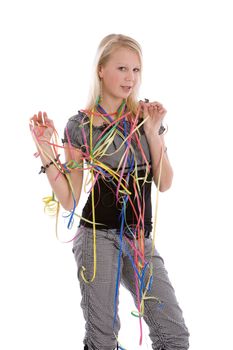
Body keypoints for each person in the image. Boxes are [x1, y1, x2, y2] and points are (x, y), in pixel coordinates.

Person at [30, 34, 190, 350]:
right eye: (122, 68)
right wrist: (45, 148)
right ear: (101, 70)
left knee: (174, 337)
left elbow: (165, 182)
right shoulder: (80, 126)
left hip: (140, 239)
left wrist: (153, 133)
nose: (130, 78)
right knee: (102, 340)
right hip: (96, 237)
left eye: (136, 70)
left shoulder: (146, 116)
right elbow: (70, 198)